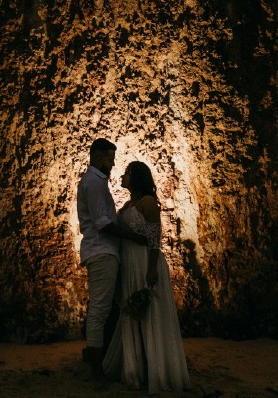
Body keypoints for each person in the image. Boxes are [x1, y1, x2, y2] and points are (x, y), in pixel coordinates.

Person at [103, 161, 191, 393]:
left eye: (127, 173)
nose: (122, 176)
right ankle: (137, 369)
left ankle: (156, 369)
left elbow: (155, 239)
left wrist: (151, 268)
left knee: (149, 312)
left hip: (144, 262)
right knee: (132, 312)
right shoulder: (129, 203)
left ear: (136, 177)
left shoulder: (148, 202)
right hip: (130, 264)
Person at [76, 138, 147, 382]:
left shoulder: (97, 182)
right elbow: (102, 223)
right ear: (95, 157)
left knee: (110, 308)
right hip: (101, 251)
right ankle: (97, 369)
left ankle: (107, 358)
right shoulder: (94, 183)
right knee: (100, 310)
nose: (113, 163)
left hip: (106, 252)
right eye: (109, 158)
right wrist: (134, 237)